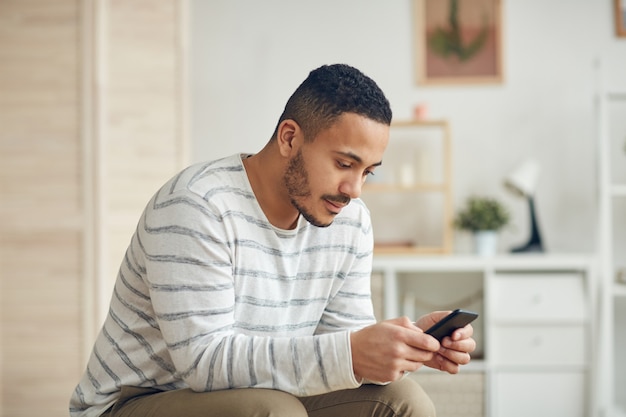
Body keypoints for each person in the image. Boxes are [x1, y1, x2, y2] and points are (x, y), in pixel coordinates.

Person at [70, 63, 476, 417]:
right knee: (274, 412)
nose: (355, 189)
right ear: (289, 138)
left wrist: (402, 348)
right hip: (138, 399)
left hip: (261, 395)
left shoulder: (350, 221)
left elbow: (340, 345)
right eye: (344, 164)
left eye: (368, 171)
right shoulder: (197, 205)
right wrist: (350, 352)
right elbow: (204, 363)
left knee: (404, 401)